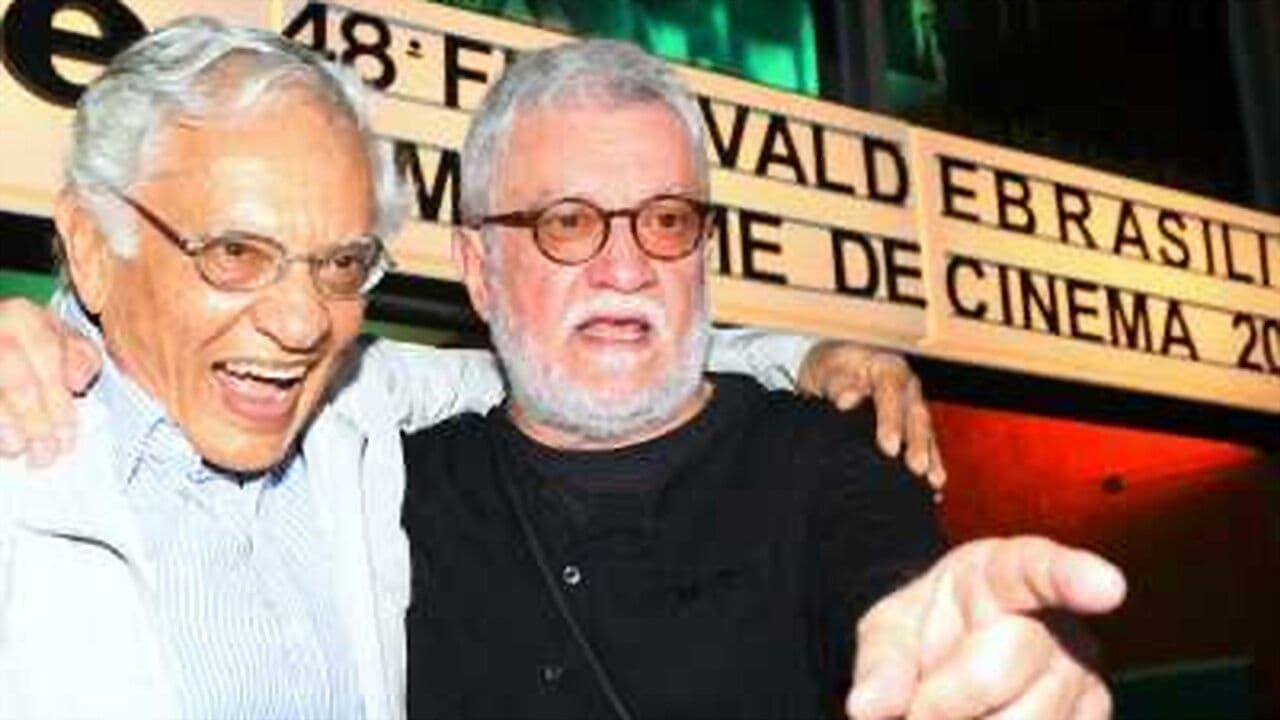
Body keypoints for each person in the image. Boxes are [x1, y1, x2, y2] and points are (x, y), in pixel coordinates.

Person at [0, 17, 946, 720]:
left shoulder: (357, 414)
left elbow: (578, 358)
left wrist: (806, 354)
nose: (300, 321)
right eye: (235, 254)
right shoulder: (26, 453)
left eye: (340, 265)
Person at [400, 39, 1126, 719]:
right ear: (479, 271)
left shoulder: (826, 463)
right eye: (567, 223)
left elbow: (893, 587)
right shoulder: (387, 494)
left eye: (667, 219)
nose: (626, 269)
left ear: (705, 250)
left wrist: (957, 662)